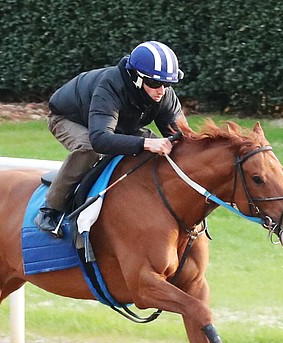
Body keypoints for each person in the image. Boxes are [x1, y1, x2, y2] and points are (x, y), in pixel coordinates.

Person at [35, 40, 186, 237]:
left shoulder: (163, 94)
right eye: (154, 83)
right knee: (88, 149)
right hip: (70, 118)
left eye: (167, 84)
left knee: (163, 150)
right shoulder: (111, 85)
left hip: (117, 124)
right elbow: (100, 140)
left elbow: (181, 138)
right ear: (136, 78)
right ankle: (50, 209)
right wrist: (146, 143)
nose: (162, 90)